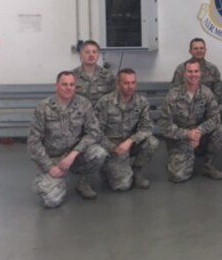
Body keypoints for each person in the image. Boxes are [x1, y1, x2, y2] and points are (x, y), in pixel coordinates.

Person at [27, 71, 107, 208]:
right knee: (52, 201)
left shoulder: (84, 104)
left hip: (76, 156)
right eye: (64, 84)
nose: (69, 88)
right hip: (53, 159)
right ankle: (52, 180)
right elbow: (33, 142)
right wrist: (49, 167)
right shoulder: (43, 107)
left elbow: (94, 132)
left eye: (72, 84)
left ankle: (83, 181)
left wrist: (74, 153)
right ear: (56, 86)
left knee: (99, 153)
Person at [159, 59, 222, 182]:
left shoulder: (207, 93)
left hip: (201, 136)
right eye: (190, 71)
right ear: (184, 74)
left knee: (221, 130)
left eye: (196, 71)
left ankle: (208, 165)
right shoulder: (173, 95)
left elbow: (215, 118)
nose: (193, 75)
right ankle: (176, 160)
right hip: (181, 138)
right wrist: (187, 134)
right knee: (178, 177)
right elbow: (165, 124)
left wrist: (199, 131)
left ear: (200, 73)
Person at [95, 68, 159, 191]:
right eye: (126, 83)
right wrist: (113, 148)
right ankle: (106, 170)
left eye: (133, 82)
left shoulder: (141, 102)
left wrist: (130, 141)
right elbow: (97, 132)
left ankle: (138, 170)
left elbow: (146, 127)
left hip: (130, 144)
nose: (130, 86)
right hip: (111, 147)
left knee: (152, 142)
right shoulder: (105, 102)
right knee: (123, 186)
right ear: (118, 84)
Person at [72, 40, 115, 106]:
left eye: (94, 52)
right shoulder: (72, 76)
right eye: (87, 52)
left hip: (101, 114)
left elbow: (114, 99)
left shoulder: (108, 76)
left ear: (98, 55)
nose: (91, 55)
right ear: (81, 55)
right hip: (79, 115)